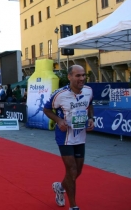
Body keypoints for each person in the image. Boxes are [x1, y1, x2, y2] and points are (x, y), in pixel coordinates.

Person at [43, 65, 94, 210]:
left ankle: (60, 187)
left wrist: (91, 118)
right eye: (78, 76)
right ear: (69, 77)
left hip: (80, 135)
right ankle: (73, 206)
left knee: (78, 171)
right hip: (64, 136)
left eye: (83, 75)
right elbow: (46, 109)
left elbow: (90, 105)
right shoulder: (60, 94)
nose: (82, 78)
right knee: (71, 170)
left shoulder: (89, 91)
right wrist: (58, 121)